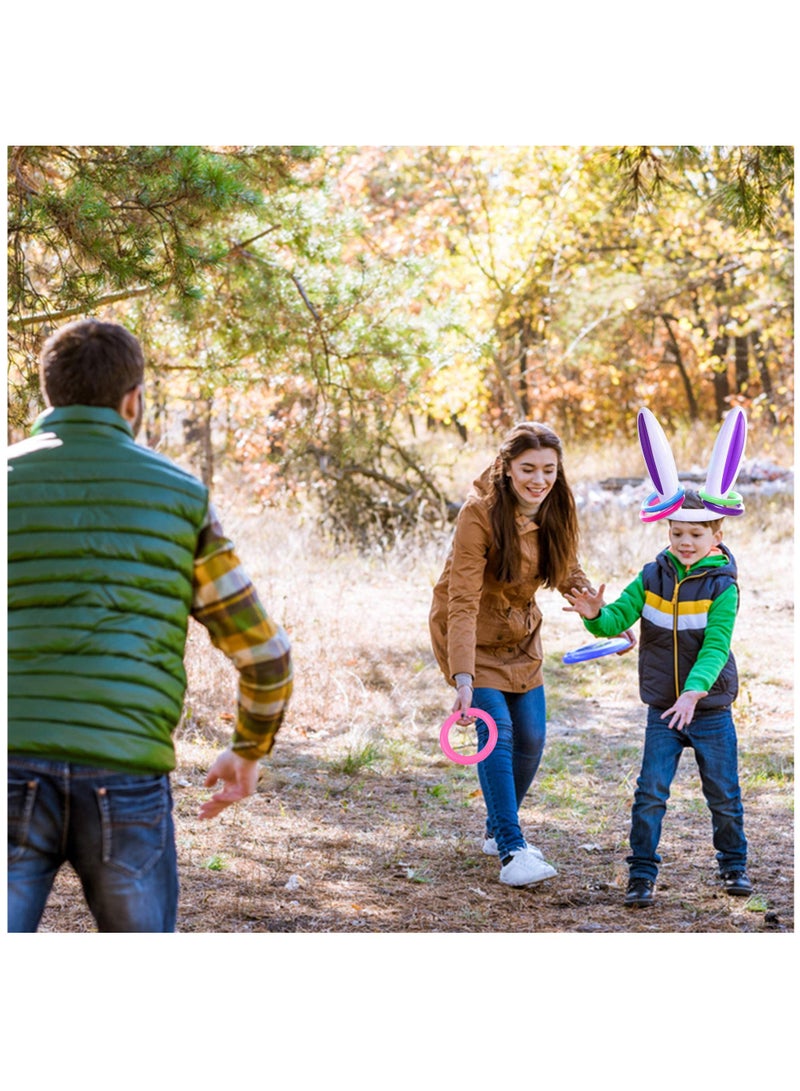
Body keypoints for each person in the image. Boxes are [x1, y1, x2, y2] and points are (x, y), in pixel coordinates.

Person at [7, 318, 293, 932]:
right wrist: (248, 750)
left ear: (49, 394)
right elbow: (266, 655)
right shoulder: (181, 495)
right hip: (126, 771)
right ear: (133, 399)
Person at [429, 421, 621, 888]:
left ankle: (497, 829)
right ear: (507, 468)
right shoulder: (479, 514)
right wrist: (463, 678)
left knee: (533, 737)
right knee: (501, 732)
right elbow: (462, 600)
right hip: (470, 635)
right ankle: (513, 850)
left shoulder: (556, 504)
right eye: (529, 469)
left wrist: (590, 603)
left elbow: (566, 565)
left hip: (520, 637)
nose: (539, 480)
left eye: (549, 470)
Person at [564, 489, 750, 908]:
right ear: (668, 531)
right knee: (650, 792)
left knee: (723, 793)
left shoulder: (723, 586)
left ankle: (733, 864)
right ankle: (642, 874)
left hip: (710, 709)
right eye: (678, 532)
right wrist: (595, 614)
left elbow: (716, 648)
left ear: (716, 536)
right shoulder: (651, 577)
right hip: (664, 709)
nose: (685, 542)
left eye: (696, 534)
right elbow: (617, 619)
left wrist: (693, 694)